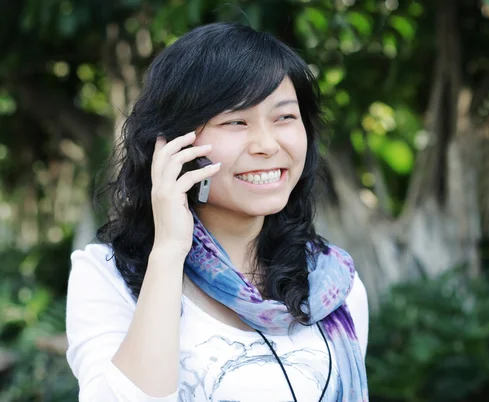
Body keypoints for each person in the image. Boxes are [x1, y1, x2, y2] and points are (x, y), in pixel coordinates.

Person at [65, 22, 369, 402]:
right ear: (174, 145)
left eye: (284, 118)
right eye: (235, 121)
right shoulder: (107, 276)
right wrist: (169, 252)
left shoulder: (333, 285)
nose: (265, 144)